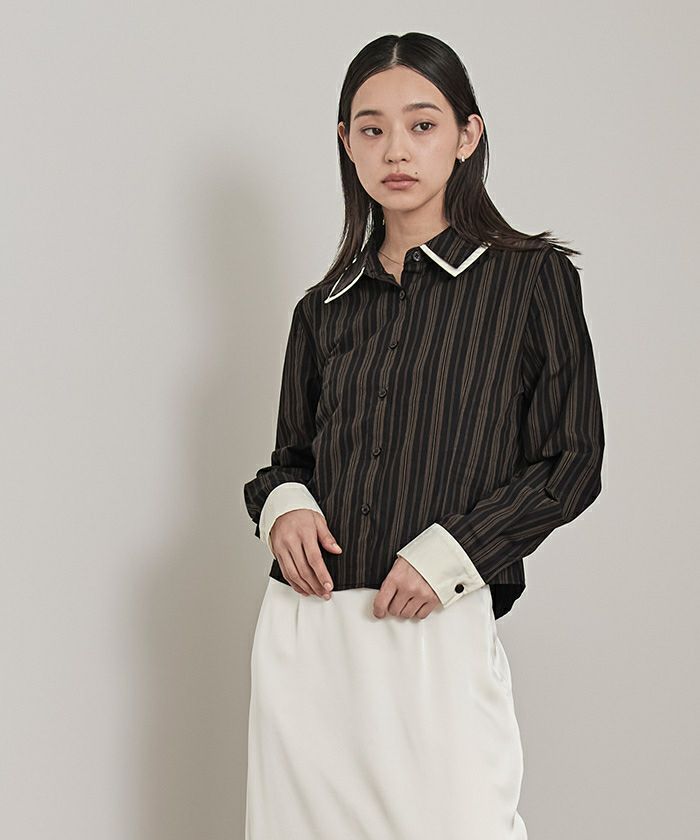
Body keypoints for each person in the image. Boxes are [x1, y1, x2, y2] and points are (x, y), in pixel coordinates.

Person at [242, 32, 605, 840]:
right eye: (371, 129)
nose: (395, 150)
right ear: (346, 143)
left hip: (433, 625)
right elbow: (291, 461)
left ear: (467, 135)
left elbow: (573, 461)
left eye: (422, 125)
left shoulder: (530, 280)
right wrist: (285, 507)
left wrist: (452, 555)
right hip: (307, 633)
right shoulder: (323, 308)